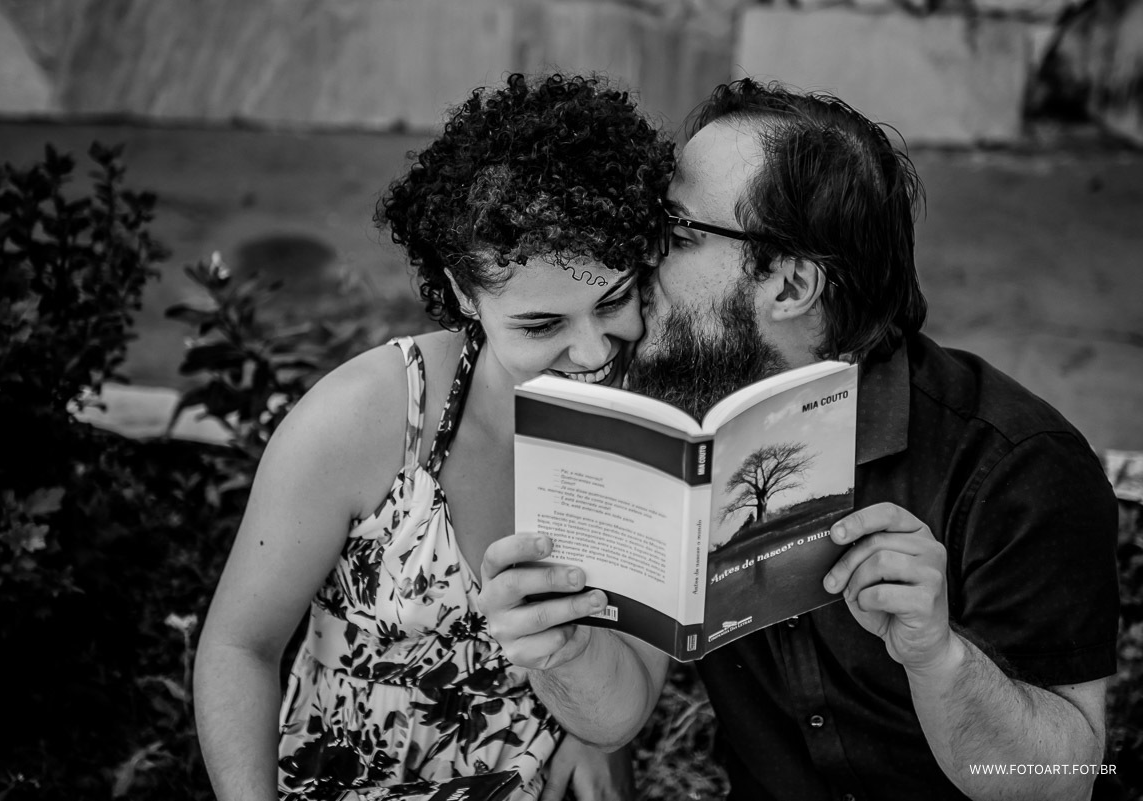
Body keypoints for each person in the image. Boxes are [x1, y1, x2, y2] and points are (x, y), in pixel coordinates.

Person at [477, 78, 1120, 801]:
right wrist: (564, 651)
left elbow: (1065, 781)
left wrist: (939, 658)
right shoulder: (670, 424)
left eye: (677, 233)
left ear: (789, 286)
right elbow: (617, 707)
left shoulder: (1015, 464)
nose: (639, 255)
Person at [193, 73, 674, 801]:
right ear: (463, 292)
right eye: (542, 324)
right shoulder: (366, 417)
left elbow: (622, 699)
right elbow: (239, 647)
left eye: (615, 300)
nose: (593, 352)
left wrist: (591, 717)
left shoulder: (654, 430)